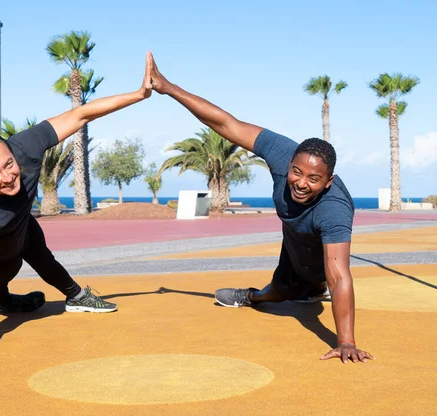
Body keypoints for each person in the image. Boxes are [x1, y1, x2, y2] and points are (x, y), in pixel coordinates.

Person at [148, 54, 374, 364]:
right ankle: (257, 295)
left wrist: (346, 341)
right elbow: (226, 123)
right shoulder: (283, 153)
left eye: (313, 178)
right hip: (294, 245)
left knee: (305, 285)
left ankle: (302, 288)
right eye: (297, 172)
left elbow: (340, 276)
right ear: (291, 161)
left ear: (329, 181)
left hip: (320, 260)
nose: (301, 183)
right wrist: (168, 87)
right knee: (278, 292)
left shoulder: (334, 209)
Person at [0, 53, 154, 372]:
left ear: (12, 152)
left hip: (25, 228)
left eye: (8, 165)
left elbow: (81, 114)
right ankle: (10, 301)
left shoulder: (26, 145)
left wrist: (139, 95)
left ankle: (78, 297)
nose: (8, 176)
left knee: (45, 260)